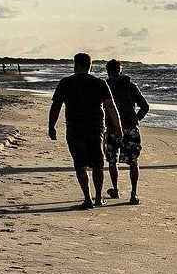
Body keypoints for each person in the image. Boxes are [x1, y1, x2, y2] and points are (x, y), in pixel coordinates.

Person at [48, 52, 122, 209]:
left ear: (75, 64)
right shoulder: (99, 83)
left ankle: (87, 198)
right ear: (90, 65)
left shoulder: (66, 82)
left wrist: (51, 126)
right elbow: (110, 106)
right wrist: (118, 128)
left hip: (74, 128)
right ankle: (97, 198)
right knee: (98, 163)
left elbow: (56, 105)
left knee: (80, 163)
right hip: (95, 128)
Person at [104, 58, 149, 204]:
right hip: (130, 128)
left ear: (108, 71)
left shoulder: (105, 86)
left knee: (112, 161)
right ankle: (133, 194)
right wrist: (136, 119)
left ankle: (116, 190)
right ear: (120, 70)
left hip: (112, 127)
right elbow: (145, 106)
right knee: (134, 162)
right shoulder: (130, 85)